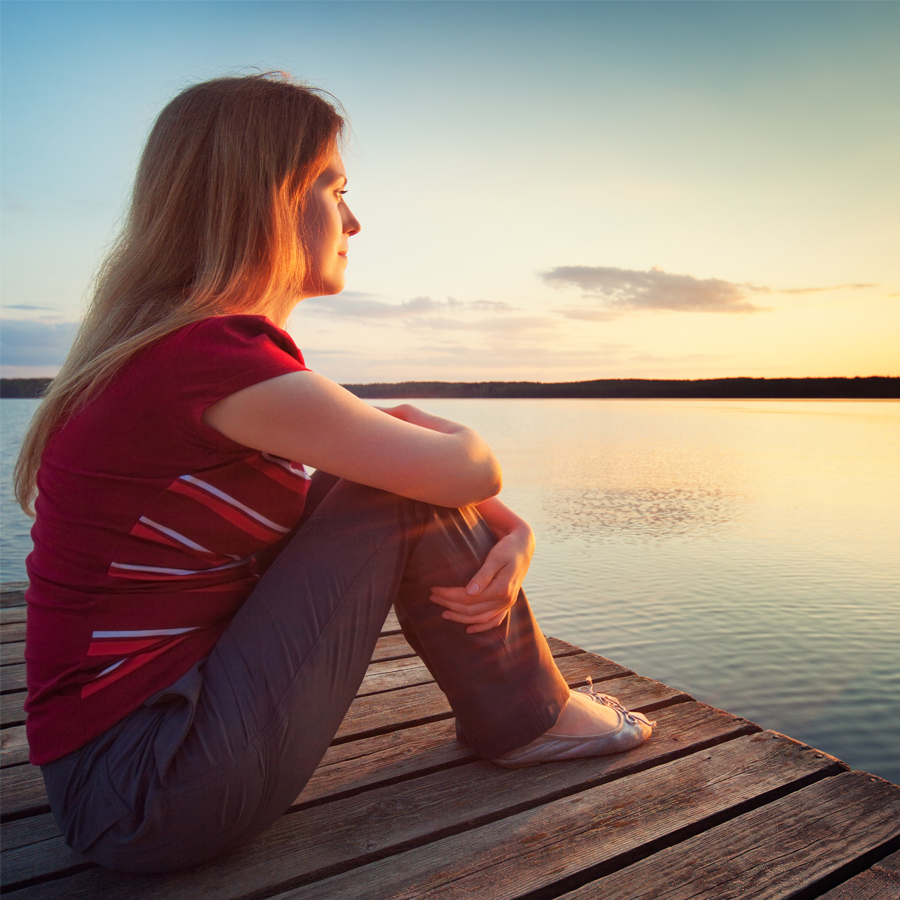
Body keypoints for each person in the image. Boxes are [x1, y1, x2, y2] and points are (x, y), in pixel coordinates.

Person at [14, 73, 653, 874]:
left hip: (122, 773)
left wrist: (507, 523)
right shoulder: (212, 361)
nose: (353, 220)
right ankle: (534, 719)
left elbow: (414, 486)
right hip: (146, 790)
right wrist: (448, 434)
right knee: (391, 489)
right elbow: (463, 470)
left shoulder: (170, 353)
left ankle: (527, 715)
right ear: (266, 199)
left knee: (382, 483)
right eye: (333, 188)